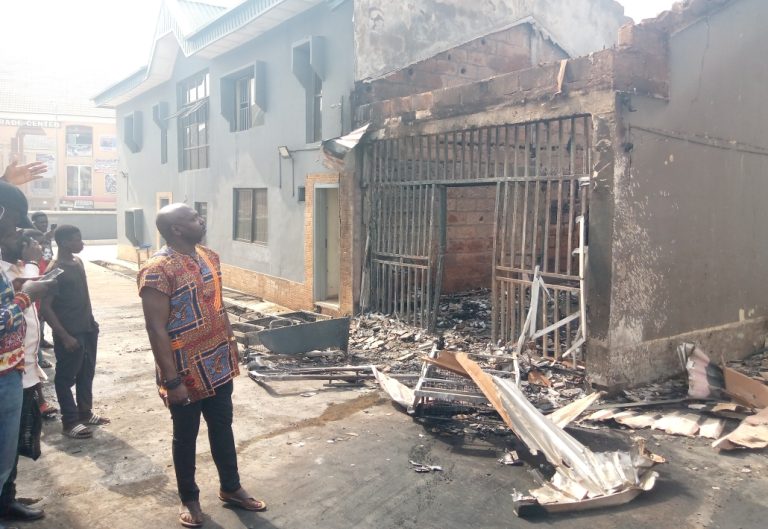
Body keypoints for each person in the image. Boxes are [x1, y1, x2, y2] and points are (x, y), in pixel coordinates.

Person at [138, 203, 265, 528]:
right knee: (186, 436)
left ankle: (231, 487)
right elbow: (156, 328)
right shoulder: (158, 269)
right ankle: (189, 499)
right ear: (176, 229)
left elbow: (218, 306)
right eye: (193, 218)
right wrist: (171, 380)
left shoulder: (209, 256)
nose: (202, 219)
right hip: (183, 370)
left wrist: (232, 346)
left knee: (222, 426)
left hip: (218, 362)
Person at [0, 181, 55, 529]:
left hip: (14, 369)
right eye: (17, 220)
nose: (20, 230)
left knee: (8, 450)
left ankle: (6, 502)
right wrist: (24, 297)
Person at [40, 225, 108, 440]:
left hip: (87, 329)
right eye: (77, 240)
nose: (82, 243)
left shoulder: (77, 262)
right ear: (64, 243)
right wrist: (63, 335)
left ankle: (85, 413)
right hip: (71, 333)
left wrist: (91, 324)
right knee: (65, 378)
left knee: (86, 373)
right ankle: (69, 422)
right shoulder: (55, 269)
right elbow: (45, 308)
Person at [29, 213, 54, 354]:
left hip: (46, 275)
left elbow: (49, 256)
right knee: (36, 313)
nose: (44, 224)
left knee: (43, 312)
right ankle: (37, 351)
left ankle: (42, 339)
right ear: (33, 223)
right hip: (35, 277)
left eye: (45, 222)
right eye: (40, 222)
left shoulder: (47, 239)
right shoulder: (33, 239)